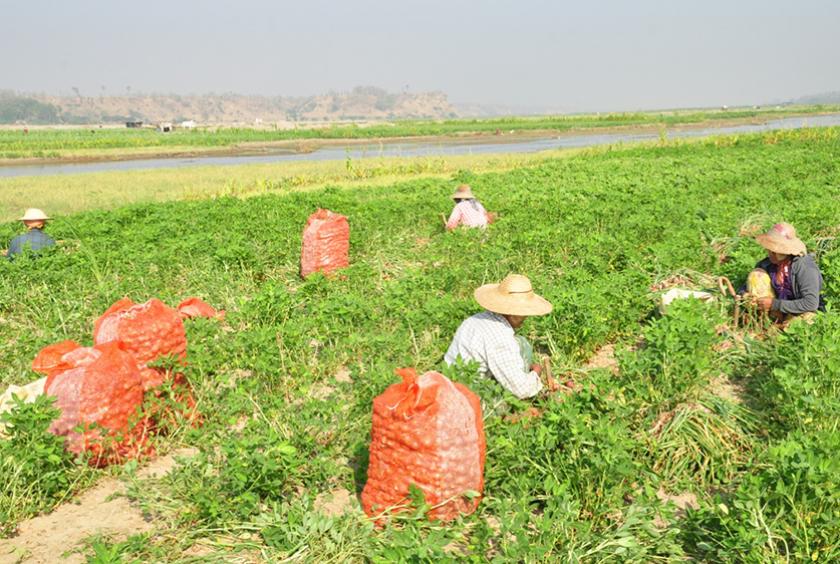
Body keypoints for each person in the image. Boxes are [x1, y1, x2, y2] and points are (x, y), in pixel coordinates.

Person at [444, 274, 558, 399]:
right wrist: (536, 372)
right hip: (469, 397)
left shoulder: (476, 319)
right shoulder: (500, 338)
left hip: (449, 382)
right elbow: (522, 390)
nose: (526, 317)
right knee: (523, 349)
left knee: (521, 342)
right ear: (513, 313)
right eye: (523, 313)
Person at [743, 222, 825, 319]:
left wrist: (775, 304)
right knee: (756, 275)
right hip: (776, 312)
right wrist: (745, 295)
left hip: (801, 312)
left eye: (775, 250)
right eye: (771, 249)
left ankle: (782, 327)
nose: (771, 253)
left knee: (808, 319)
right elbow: (745, 287)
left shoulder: (804, 267)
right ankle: (766, 320)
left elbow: (810, 303)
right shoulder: (767, 264)